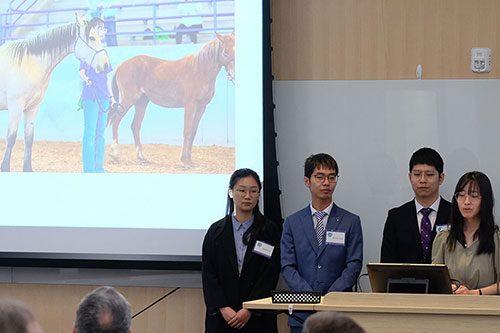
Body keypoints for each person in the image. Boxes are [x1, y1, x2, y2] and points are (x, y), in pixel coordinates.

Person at [280, 153, 363, 333]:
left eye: (331, 177)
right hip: (301, 314)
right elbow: (287, 266)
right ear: (307, 181)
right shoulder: (292, 222)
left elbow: (353, 265)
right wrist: (310, 297)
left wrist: (330, 297)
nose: (326, 182)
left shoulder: (351, 221)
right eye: (320, 177)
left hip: (339, 312)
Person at [202, 168, 281, 333]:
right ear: (231, 192)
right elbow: (209, 274)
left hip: (258, 317)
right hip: (223, 317)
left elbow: (270, 273)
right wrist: (223, 307)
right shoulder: (216, 231)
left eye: (253, 191)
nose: (247, 196)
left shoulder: (269, 231)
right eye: (241, 190)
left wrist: (250, 308)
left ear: (259, 194)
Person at [432, 171, 500, 295]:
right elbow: (434, 280)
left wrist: (476, 293)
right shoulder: (443, 238)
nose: (466, 202)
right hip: (450, 307)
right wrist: (447, 286)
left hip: (485, 308)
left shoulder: (496, 238)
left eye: (474, 196)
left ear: (485, 200)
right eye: (461, 195)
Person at [381, 147, 451, 263]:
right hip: (405, 281)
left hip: (447, 281)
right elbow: (387, 264)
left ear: (441, 178)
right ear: (410, 177)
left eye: (429, 174)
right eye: (417, 174)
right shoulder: (396, 217)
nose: (423, 180)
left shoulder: (456, 213)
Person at [79, 17, 114, 173]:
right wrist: (87, 80)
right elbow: (82, 72)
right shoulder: (87, 52)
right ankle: (89, 169)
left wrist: (112, 97)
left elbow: (107, 78)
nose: (104, 31)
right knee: (90, 134)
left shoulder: (103, 52)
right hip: (91, 97)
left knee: (100, 135)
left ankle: (99, 168)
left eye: (104, 29)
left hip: (104, 97)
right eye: (101, 28)